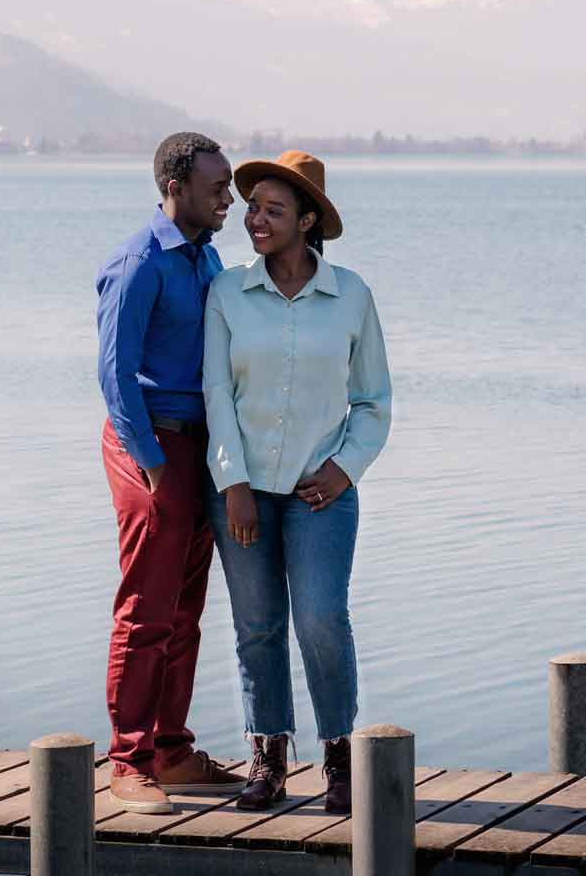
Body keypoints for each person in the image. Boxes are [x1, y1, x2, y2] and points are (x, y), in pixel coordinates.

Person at [202, 150, 392, 815]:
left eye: (273, 210)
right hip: (243, 494)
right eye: (253, 206)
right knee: (257, 627)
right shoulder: (227, 293)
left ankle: (339, 758)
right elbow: (215, 393)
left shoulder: (353, 297)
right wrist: (232, 482)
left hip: (322, 494)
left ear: (308, 221)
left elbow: (373, 400)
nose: (255, 218)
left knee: (320, 618)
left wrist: (345, 468)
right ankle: (268, 759)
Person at [95, 131, 248, 814]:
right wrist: (151, 465)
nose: (229, 198)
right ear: (175, 186)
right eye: (218, 186)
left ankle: (172, 751)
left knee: (185, 609)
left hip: (200, 449)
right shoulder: (137, 263)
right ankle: (127, 762)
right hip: (148, 447)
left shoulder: (207, 258)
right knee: (146, 608)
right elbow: (114, 374)